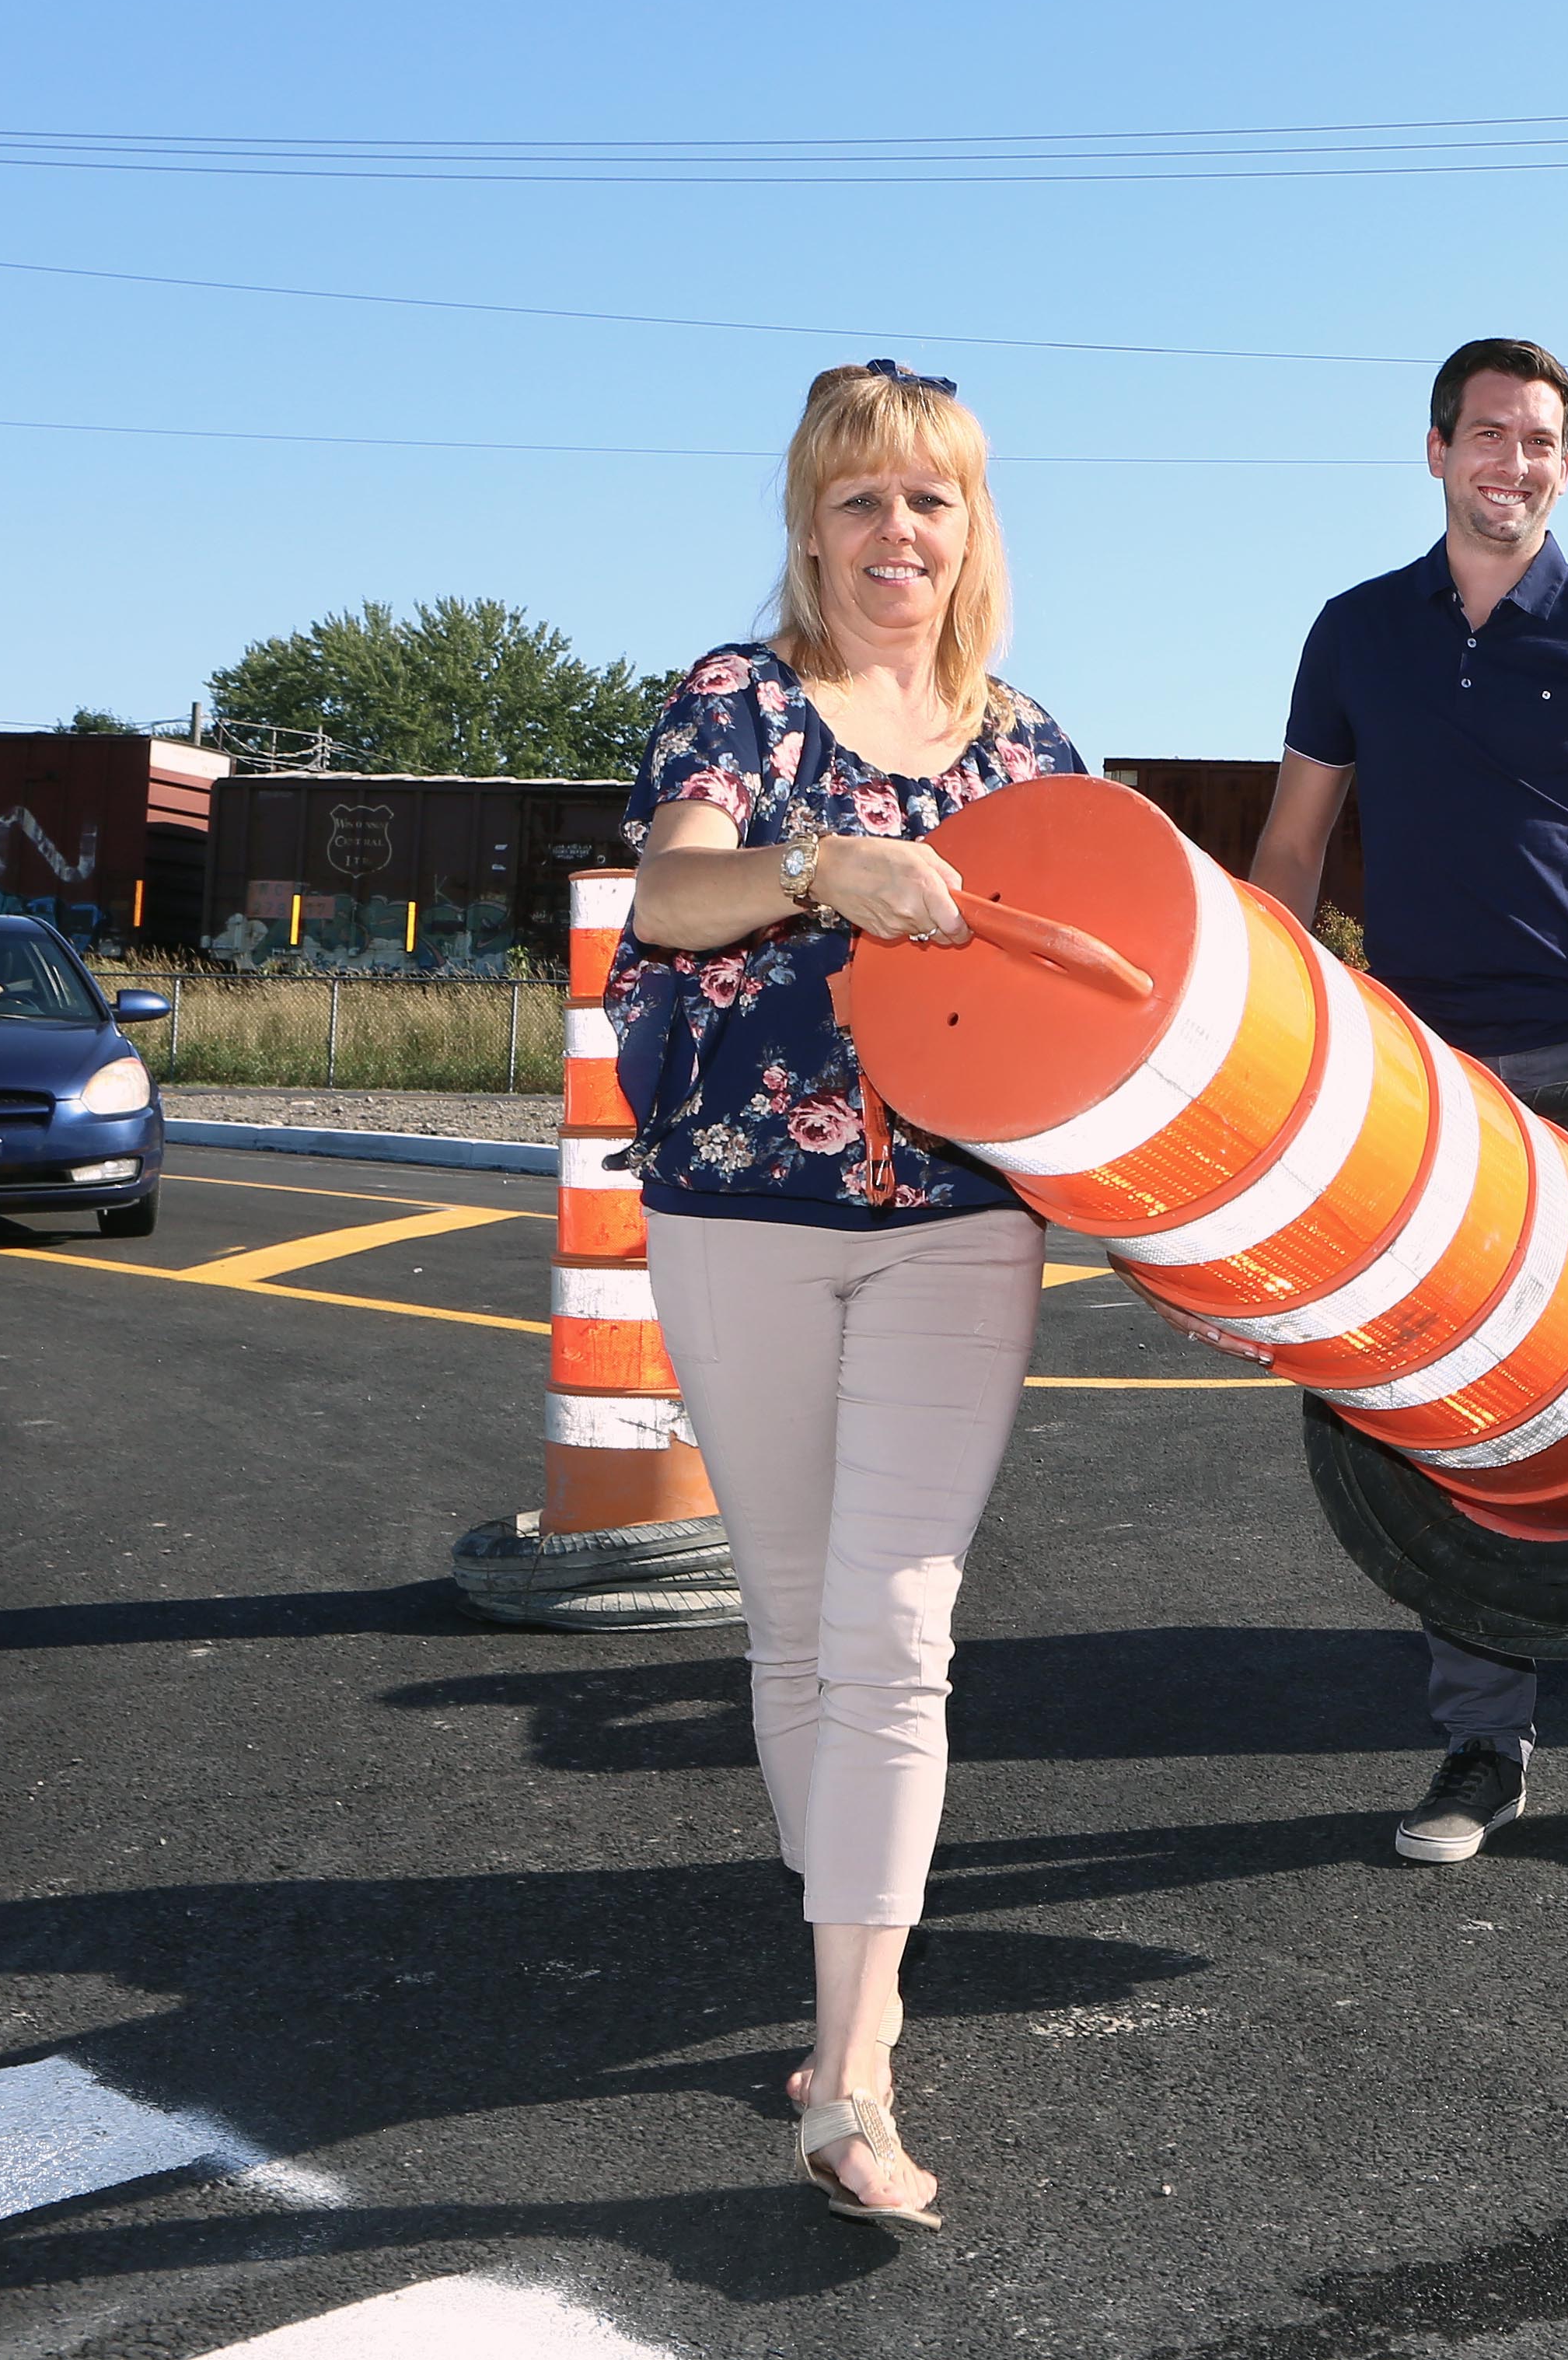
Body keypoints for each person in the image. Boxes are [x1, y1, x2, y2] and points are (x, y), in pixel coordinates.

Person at [613, 358, 1088, 2229]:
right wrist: (823, 871)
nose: (901, 533)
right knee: (796, 1620)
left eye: (934, 501)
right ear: (811, 524)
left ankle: (853, 2069)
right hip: (741, 1208)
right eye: (864, 499)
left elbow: (1089, 1003)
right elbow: (669, 897)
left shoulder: (1034, 752)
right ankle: (849, 1981)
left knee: (896, 1622)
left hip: (962, 1221)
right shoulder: (734, 705)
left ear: (976, 529)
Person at [1245, 337, 1568, 1867]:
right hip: (1410, 1085)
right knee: (1441, 1422)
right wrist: (1279, 1050)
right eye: (1490, 435)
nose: (1515, 463)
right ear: (1433, 450)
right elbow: (1293, 854)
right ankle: (1475, 1749)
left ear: (1567, 467)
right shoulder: (1356, 634)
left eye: (1543, 442)